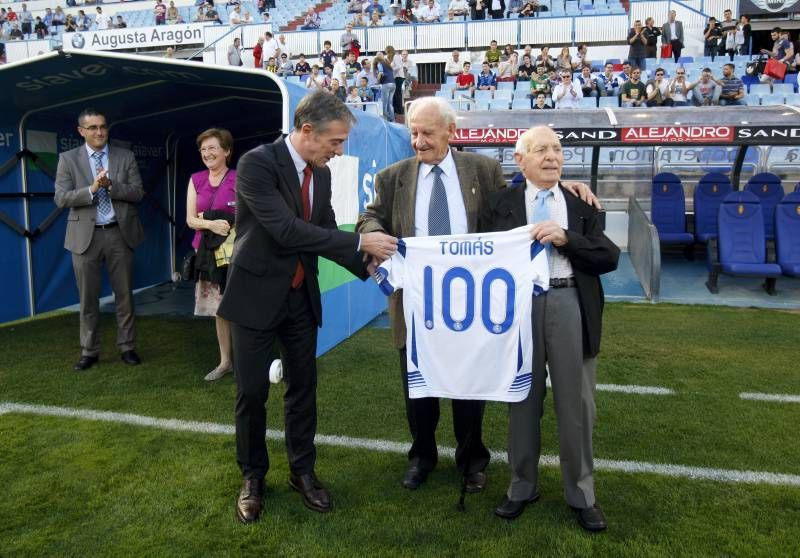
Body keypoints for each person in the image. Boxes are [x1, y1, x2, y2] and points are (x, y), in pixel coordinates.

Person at [218, 91, 397, 523]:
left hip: (301, 297)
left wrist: (371, 265)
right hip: (256, 295)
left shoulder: (323, 174)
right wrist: (359, 240)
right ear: (306, 131)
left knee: (303, 389)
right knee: (252, 393)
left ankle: (303, 472)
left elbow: (319, 229)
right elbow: (284, 230)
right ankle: (253, 477)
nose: (338, 152)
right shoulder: (256, 163)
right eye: (335, 142)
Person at [356, 97, 503, 494]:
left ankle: (472, 460)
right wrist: (372, 233)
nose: (418, 142)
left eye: (427, 133)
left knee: (469, 386)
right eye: (414, 133)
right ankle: (422, 456)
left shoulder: (484, 171)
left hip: (471, 303)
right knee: (417, 388)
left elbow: (512, 212)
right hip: (416, 303)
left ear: (451, 133)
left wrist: (564, 185)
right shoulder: (392, 177)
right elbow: (370, 216)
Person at [483, 125, 619, 532]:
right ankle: (521, 486)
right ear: (520, 158)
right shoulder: (499, 204)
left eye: (557, 150)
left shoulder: (580, 203)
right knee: (522, 401)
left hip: (569, 300)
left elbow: (608, 255)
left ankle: (582, 494)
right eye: (541, 149)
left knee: (576, 405)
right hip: (519, 308)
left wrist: (566, 238)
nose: (552, 157)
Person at [53, 109, 145, 372]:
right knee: (88, 299)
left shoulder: (124, 156)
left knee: (124, 295)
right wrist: (92, 190)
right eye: (92, 127)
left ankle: (127, 347)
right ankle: (89, 351)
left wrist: (112, 186)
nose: (99, 132)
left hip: (119, 232)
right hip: (85, 237)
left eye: (103, 126)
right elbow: (61, 198)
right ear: (81, 131)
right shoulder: (68, 159)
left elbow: (139, 193)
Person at [185, 129, 237, 381]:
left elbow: (250, 216)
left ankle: (246, 359)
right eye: (203, 149)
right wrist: (211, 224)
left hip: (236, 255)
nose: (207, 153)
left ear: (226, 150)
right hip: (206, 254)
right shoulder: (195, 179)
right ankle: (225, 361)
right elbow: (190, 219)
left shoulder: (240, 178)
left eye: (213, 148)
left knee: (240, 306)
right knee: (219, 310)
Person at [374, 52, 396, 121]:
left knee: (384, 104)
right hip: (393, 84)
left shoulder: (380, 64)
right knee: (390, 103)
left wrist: (377, 82)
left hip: (386, 84)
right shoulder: (387, 63)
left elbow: (380, 73)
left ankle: (386, 119)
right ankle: (392, 120)